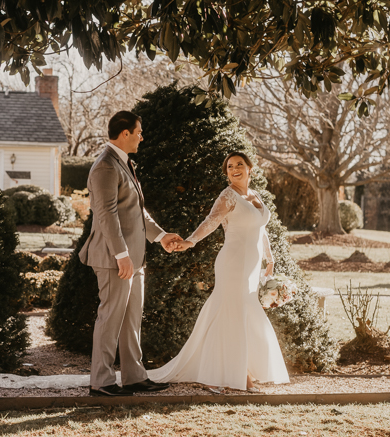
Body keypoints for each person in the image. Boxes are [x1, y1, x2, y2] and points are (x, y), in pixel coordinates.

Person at [146, 152, 290, 392]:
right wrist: (190, 242)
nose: (234, 169)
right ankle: (215, 376)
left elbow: (260, 227)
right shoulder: (228, 196)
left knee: (244, 317)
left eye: (239, 165)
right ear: (226, 173)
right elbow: (210, 222)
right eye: (230, 167)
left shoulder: (255, 196)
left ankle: (241, 373)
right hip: (233, 263)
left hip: (252, 268)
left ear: (250, 168)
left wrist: (269, 257)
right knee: (227, 315)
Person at [79, 110, 183, 397]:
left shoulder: (124, 163)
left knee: (131, 320)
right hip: (115, 259)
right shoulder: (105, 167)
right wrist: (121, 255)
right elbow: (106, 215)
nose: (141, 136)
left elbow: (136, 212)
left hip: (135, 259)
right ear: (124, 133)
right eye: (138, 131)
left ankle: (135, 377)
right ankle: (101, 382)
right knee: (110, 319)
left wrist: (160, 236)